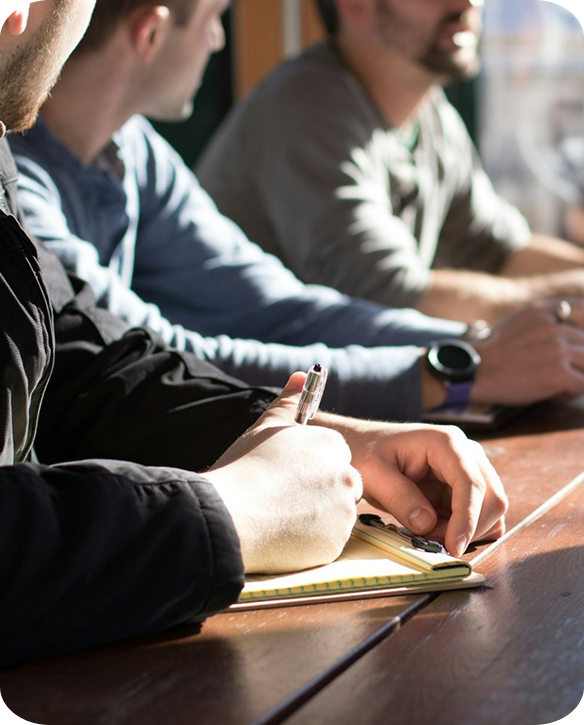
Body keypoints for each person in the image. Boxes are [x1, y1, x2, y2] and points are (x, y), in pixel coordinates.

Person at [0, 1, 506, 668]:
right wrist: (230, 509)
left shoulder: (89, 151)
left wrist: (328, 437)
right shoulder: (308, 104)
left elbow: (82, 365)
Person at [11, 0, 584, 421]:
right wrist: (456, 368)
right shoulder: (18, 185)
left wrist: (476, 344)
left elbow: (275, 306)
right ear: (151, 33)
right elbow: (154, 362)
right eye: (217, 18)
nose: (218, 41)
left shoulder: (130, 149)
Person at [197, 0, 584, 325]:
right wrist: (565, 304)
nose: (468, 3)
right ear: (356, 5)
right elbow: (390, 298)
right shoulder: (305, 108)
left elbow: (498, 251)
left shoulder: (429, 112)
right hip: (260, 400)